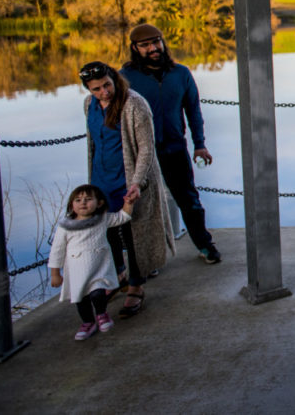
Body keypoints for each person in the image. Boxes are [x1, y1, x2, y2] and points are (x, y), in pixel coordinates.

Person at [120, 24, 221, 264]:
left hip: (175, 148)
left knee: (189, 199)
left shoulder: (181, 73)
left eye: (156, 42)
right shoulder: (125, 78)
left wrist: (200, 144)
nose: (153, 48)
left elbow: (193, 111)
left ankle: (204, 245)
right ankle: (144, 260)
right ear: (135, 48)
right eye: (145, 45)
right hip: (140, 153)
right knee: (140, 205)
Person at [81, 60, 174, 318]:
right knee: (110, 232)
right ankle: (119, 275)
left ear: (114, 79)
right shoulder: (89, 105)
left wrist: (137, 182)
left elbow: (146, 148)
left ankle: (136, 286)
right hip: (102, 180)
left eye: (107, 85)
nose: (104, 92)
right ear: (88, 89)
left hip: (130, 179)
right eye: (96, 88)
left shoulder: (134, 103)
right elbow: (94, 143)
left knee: (134, 234)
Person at [49, 184, 136, 340]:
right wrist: (55, 273)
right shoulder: (66, 226)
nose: (83, 203)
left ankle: (102, 314)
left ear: (99, 203)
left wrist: (128, 203)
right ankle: (88, 322)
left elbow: (122, 217)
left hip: (99, 267)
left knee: (98, 294)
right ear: (71, 205)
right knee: (81, 299)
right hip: (77, 270)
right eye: (78, 200)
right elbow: (57, 250)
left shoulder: (102, 219)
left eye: (88, 199)